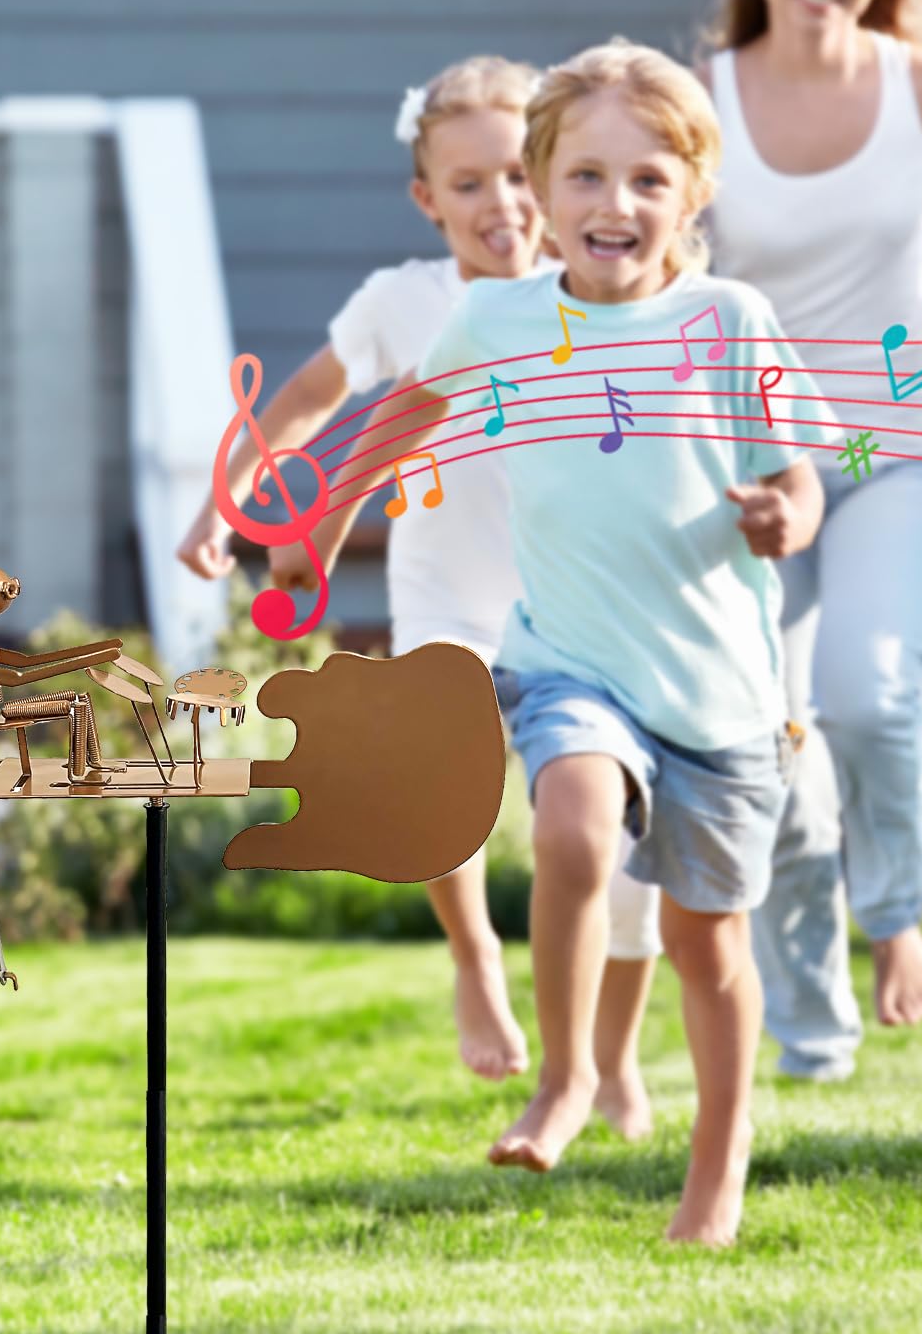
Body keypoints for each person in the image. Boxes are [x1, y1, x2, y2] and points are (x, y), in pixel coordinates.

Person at [310, 41, 822, 1243]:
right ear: (540, 184)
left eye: (647, 180)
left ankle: (717, 1160)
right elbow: (399, 420)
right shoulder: (496, 317)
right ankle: (569, 1072)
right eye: (584, 177)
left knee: (706, 942)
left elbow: (799, 473)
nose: (614, 205)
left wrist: (781, 513)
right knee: (572, 825)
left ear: (692, 192)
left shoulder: (726, 320)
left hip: (719, 691)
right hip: (570, 661)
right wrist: (317, 526)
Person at [176, 55, 661, 1116]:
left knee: (624, 866)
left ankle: (612, 1057)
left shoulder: (605, 298)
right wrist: (231, 504)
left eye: (519, 176)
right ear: (426, 198)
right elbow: (305, 399)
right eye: (469, 183)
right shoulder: (404, 302)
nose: (502, 205)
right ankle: (477, 957)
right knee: (439, 780)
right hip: (448, 589)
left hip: (585, 606)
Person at [702, 0, 922, 1081]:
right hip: (767, 463)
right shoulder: (702, 95)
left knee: (865, 685)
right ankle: (813, 1038)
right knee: (765, 739)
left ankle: (892, 917)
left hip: (901, 443)